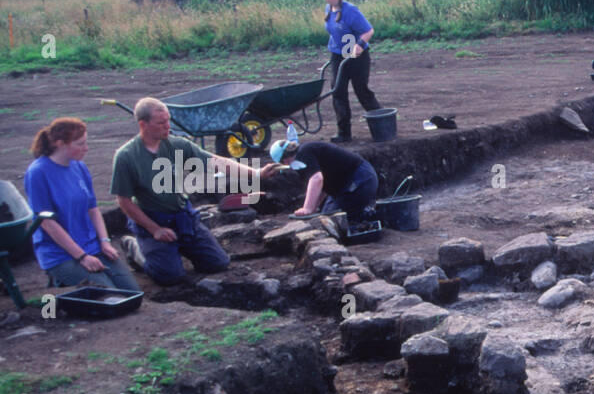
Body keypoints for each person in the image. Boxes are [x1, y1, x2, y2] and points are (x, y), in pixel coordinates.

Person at [111, 97, 278, 286]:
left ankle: (176, 248)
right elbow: (124, 200)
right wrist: (155, 230)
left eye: (168, 120)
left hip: (182, 216)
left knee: (218, 263)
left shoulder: (177, 144)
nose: (168, 126)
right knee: (169, 277)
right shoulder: (126, 156)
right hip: (153, 220)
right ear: (143, 124)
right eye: (161, 123)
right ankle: (136, 248)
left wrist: (256, 174)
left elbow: (217, 162)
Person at [24, 117, 139, 292]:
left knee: (133, 292)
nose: (86, 148)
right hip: (61, 254)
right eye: (80, 144)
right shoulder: (38, 173)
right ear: (60, 144)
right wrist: (82, 256)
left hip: (91, 245)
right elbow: (47, 223)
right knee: (110, 297)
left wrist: (105, 242)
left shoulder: (79, 167)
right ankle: (61, 280)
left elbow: (93, 208)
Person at [318, 0, 383, 144]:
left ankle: (382, 126)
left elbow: (368, 30)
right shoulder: (329, 8)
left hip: (356, 56)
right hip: (338, 54)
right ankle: (344, 133)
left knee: (362, 91)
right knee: (338, 91)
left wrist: (359, 45)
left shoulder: (351, 11)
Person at [269, 138, 379, 224]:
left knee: (336, 218)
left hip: (361, 179)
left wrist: (307, 208)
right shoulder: (305, 154)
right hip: (352, 181)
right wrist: (312, 209)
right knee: (326, 215)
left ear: (285, 159)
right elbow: (323, 187)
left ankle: (370, 215)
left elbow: (317, 179)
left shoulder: (303, 155)